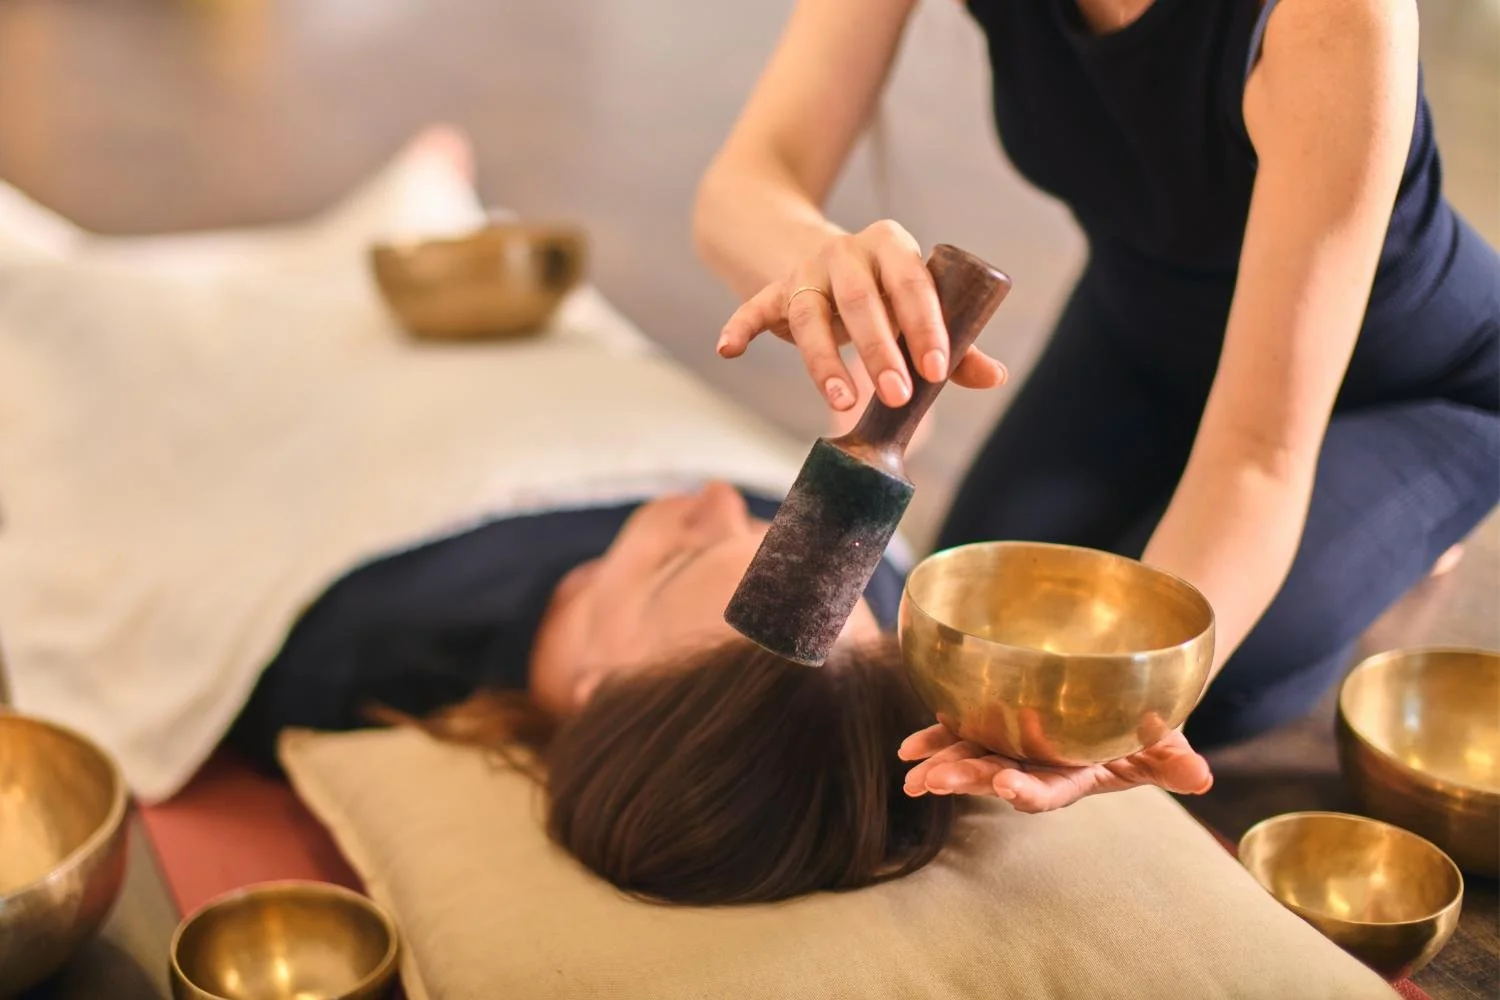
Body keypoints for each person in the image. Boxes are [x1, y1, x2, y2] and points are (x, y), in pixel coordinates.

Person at [694, 0, 1500, 807]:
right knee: (982, 648)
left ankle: (1412, 523)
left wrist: (1120, 714)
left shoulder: (1332, 16)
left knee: (1190, 691)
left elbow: (1257, 452)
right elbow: (745, 182)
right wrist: (821, 264)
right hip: (1143, 331)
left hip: (1412, 386)